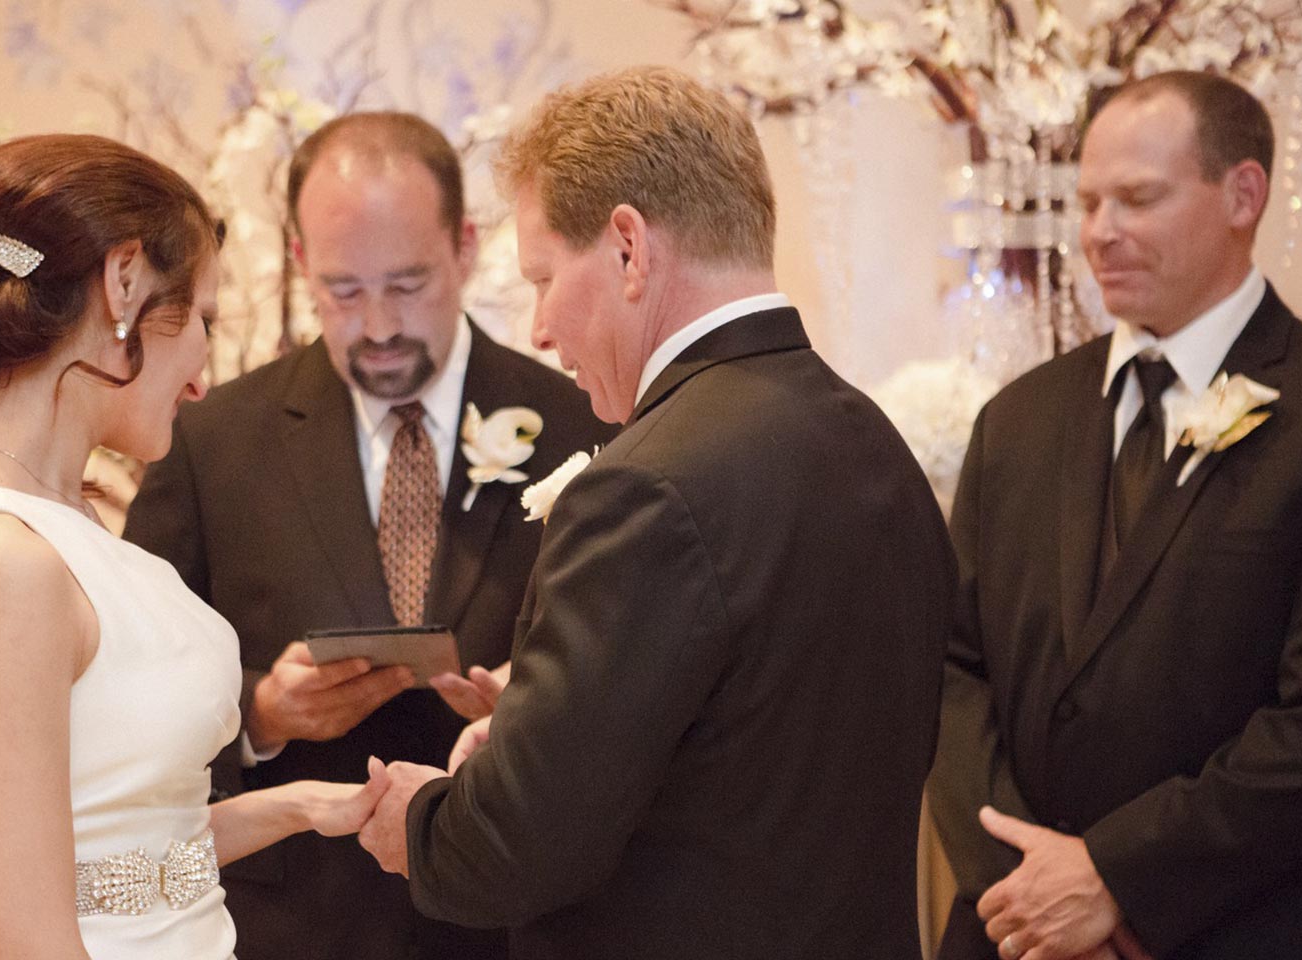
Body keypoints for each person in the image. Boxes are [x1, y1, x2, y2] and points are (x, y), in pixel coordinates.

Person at [354, 66, 955, 960]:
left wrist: (424, 821)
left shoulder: (644, 489)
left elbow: (518, 847)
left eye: (544, 277)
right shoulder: (873, 440)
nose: (540, 328)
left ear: (629, 248)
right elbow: (762, 742)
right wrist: (548, 724)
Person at [0, 133, 387, 960]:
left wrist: (297, 808)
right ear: (122, 283)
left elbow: (119, 862)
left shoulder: (43, 523)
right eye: (203, 321)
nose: (203, 376)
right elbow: (27, 938)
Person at [928, 71, 1302, 960]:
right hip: (1017, 935)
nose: (1101, 233)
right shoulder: (1019, 419)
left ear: (1243, 194)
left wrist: (1117, 880)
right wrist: (1024, 889)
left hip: (1248, 926)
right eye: (1090, 202)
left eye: (1138, 199)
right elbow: (952, 668)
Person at [121, 112, 612, 960]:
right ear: (303, 262)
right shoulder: (212, 439)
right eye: (345, 290)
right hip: (294, 921)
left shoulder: (582, 424)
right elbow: (133, 680)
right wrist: (262, 712)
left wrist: (533, 713)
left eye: (410, 283)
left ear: (464, 248)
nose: (379, 324)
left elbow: (629, 670)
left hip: (513, 919)